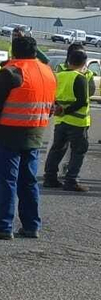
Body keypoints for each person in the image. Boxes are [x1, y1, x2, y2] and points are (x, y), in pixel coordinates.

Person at [0, 34, 56, 240]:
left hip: (8, 132)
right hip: (35, 132)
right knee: (28, 181)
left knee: (6, 179)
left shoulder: (10, 71)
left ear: (14, 50)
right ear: (35, 51)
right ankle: (31, 225)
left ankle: (2, 224)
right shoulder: (48, 72)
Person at [45, 45, 91, 192]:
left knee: (57, 149)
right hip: (77, 122)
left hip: (61, 121)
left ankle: (50, 178)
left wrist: (59, 108)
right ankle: (71, 180)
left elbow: (52, 95)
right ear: (84, 63)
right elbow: (82, 101)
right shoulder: (80, 78)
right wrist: (66, 110)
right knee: (78, 151)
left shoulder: (59, 75)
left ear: (69, 60)